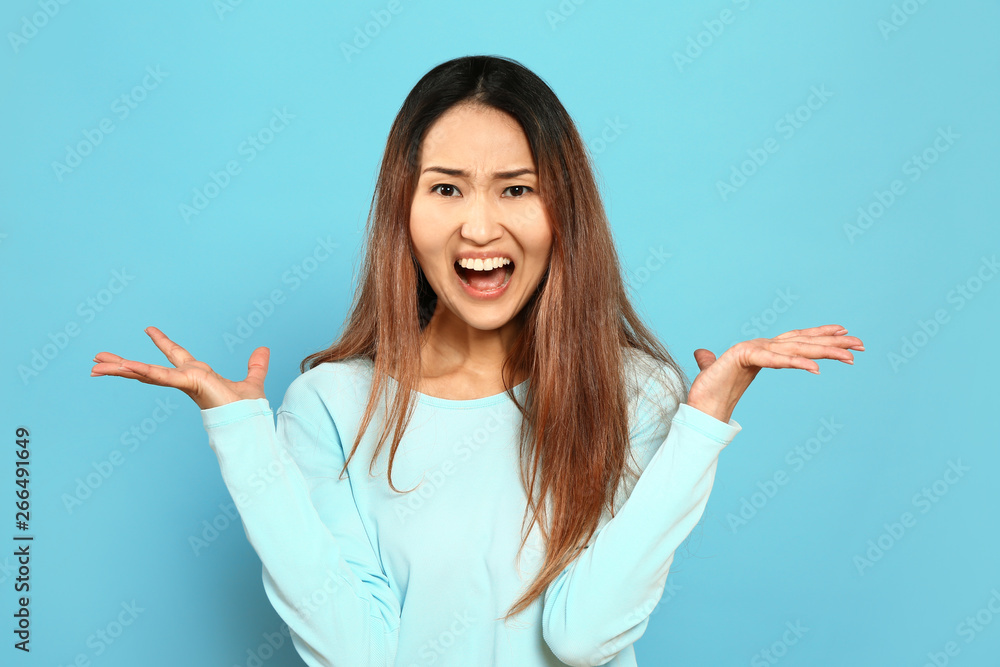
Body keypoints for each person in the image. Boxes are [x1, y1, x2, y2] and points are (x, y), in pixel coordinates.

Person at [90, 55, 863, 667]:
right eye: (447, 188)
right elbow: (356, 654)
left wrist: (701, 426)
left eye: (517, 189)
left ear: (564, 211)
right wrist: (241, 439)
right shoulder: (329, 403)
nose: (480, 226)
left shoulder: (634, 390)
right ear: (405, 208)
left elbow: (584, 635)